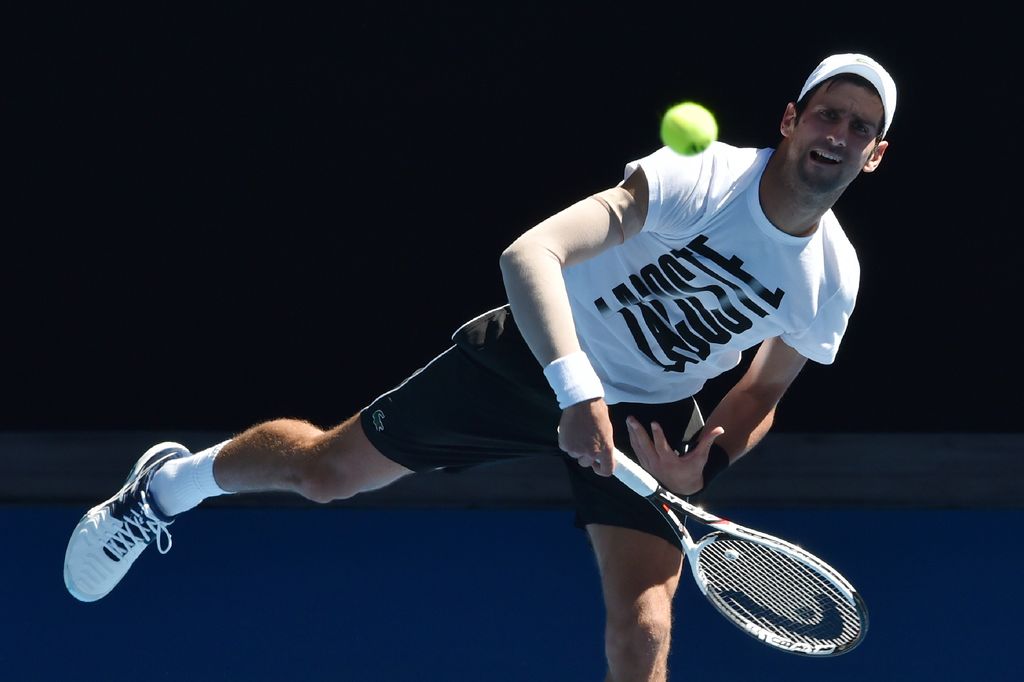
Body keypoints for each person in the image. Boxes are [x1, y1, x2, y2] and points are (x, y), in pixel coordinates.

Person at [64, 52, 895, 681]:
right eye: (829, 114)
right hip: (538, 351)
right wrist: (574, 389)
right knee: (327, 474)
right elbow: (529, 254)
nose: (839, 134)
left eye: (860, 128)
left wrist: (703, 457)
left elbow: (764, 388)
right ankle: (165, 488)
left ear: (874, 156)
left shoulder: (832, 278)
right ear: (791, 120)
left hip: (651, 412)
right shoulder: (701, 176)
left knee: (644, 629)